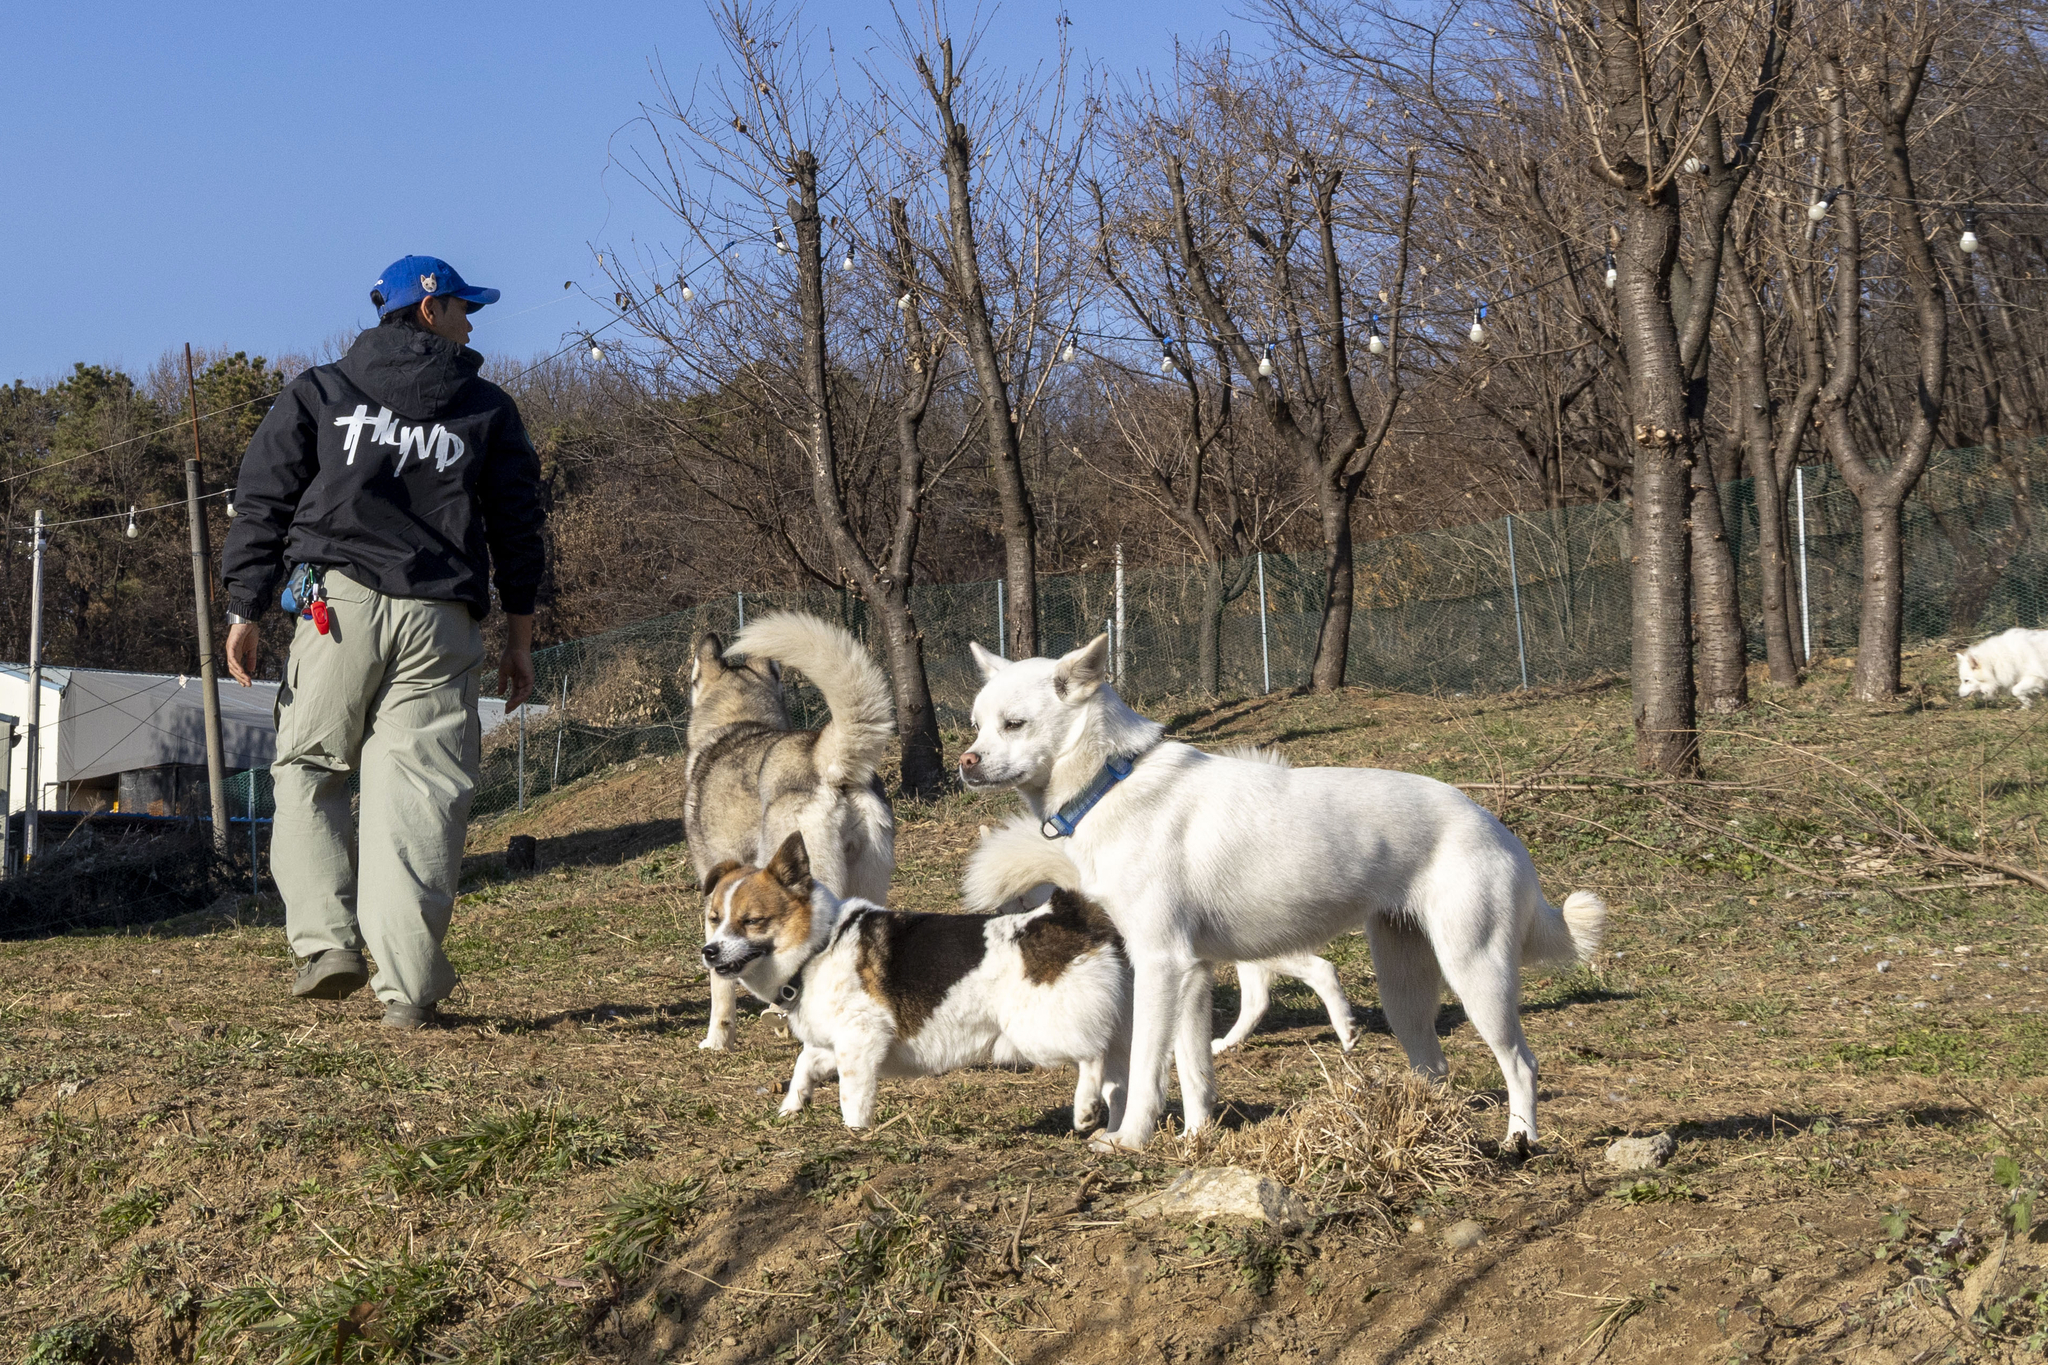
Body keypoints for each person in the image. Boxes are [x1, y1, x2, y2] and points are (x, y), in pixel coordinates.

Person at [221, 255, 544, 1029]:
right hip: (442, 620)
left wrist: (246, 606)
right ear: (428, 312)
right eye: (465, 308)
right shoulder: (487, 408)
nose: (473, 322)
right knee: (421, 795)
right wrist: (520, 635)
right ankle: (407, 993)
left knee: (308, 766)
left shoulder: (321, 390)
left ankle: (327, 944)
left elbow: (262, 495)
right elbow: (518, 524)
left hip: (338, 609)